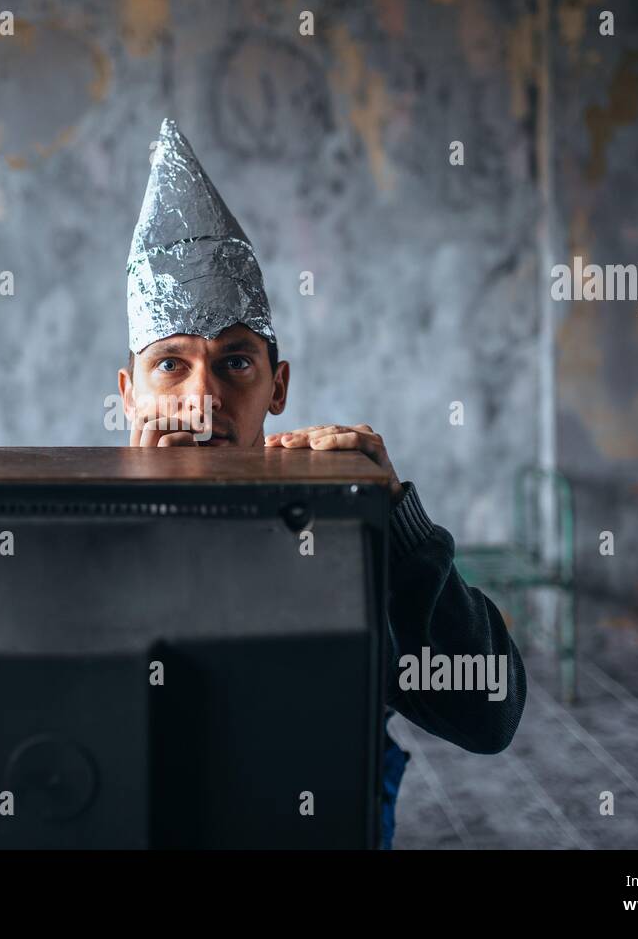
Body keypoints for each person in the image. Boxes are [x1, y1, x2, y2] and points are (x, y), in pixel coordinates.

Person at [117, 119, 527, 847]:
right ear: (129, 395)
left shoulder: (334, 532)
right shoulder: (77, 537)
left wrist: (397, 522)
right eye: (171, 364)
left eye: (236, 361)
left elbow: (488, 713)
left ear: (279, 387)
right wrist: (148, 517)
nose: (203, 395)